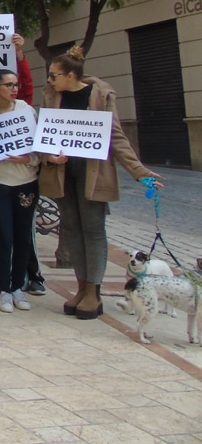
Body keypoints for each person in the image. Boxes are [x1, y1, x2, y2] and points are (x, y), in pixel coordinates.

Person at [41, 45, 161, 320]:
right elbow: (44, 133)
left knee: (93, 229)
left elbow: (115, 136)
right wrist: (48, 155)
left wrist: (139, 171)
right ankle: (81, 287)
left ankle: (94, 291)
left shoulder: (100, 95)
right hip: (62, 172)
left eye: (54, 75)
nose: (50, 80)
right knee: (71, 229)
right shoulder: (50, 96)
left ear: (71, 75)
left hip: (93, 171)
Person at [0, 68, 40, 314]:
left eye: (16, 84)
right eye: (8, 85)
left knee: (22, 237)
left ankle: (18, 286)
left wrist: (27, 159)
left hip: (25, 182)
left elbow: (40, 147)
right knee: (3, 237)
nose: (14, 89)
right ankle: (4, 288)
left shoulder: (27, 112)